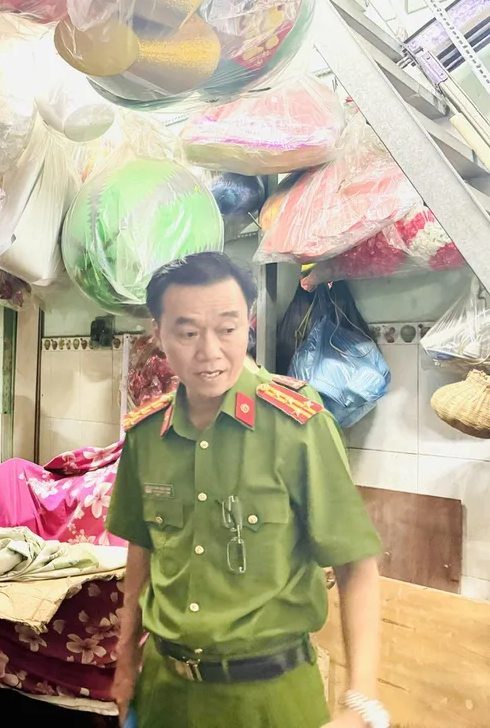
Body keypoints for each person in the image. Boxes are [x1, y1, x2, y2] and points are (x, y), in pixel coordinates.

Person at [107, 252, 388, 728]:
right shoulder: (146, 436)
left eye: (227, 328)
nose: (210, 351)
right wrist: (126, 658)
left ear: (249, 323)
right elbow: (142, 551)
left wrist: (362, 700)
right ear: (158, 333)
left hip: (271, 700)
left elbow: (355, 563)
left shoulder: (297, 426)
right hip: (165, 693)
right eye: (188, 332)